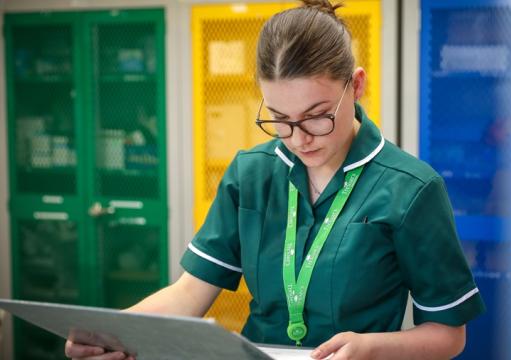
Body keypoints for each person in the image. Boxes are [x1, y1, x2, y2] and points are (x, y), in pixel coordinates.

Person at [66, 1, 485, 359]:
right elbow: (190, 293)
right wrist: (109, 333)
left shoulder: (411, 190)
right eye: (280, 120)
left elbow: (448, 336)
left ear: (356, 86)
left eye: (317, 116)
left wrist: (372, 348)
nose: (299, 139)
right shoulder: (252, 173)